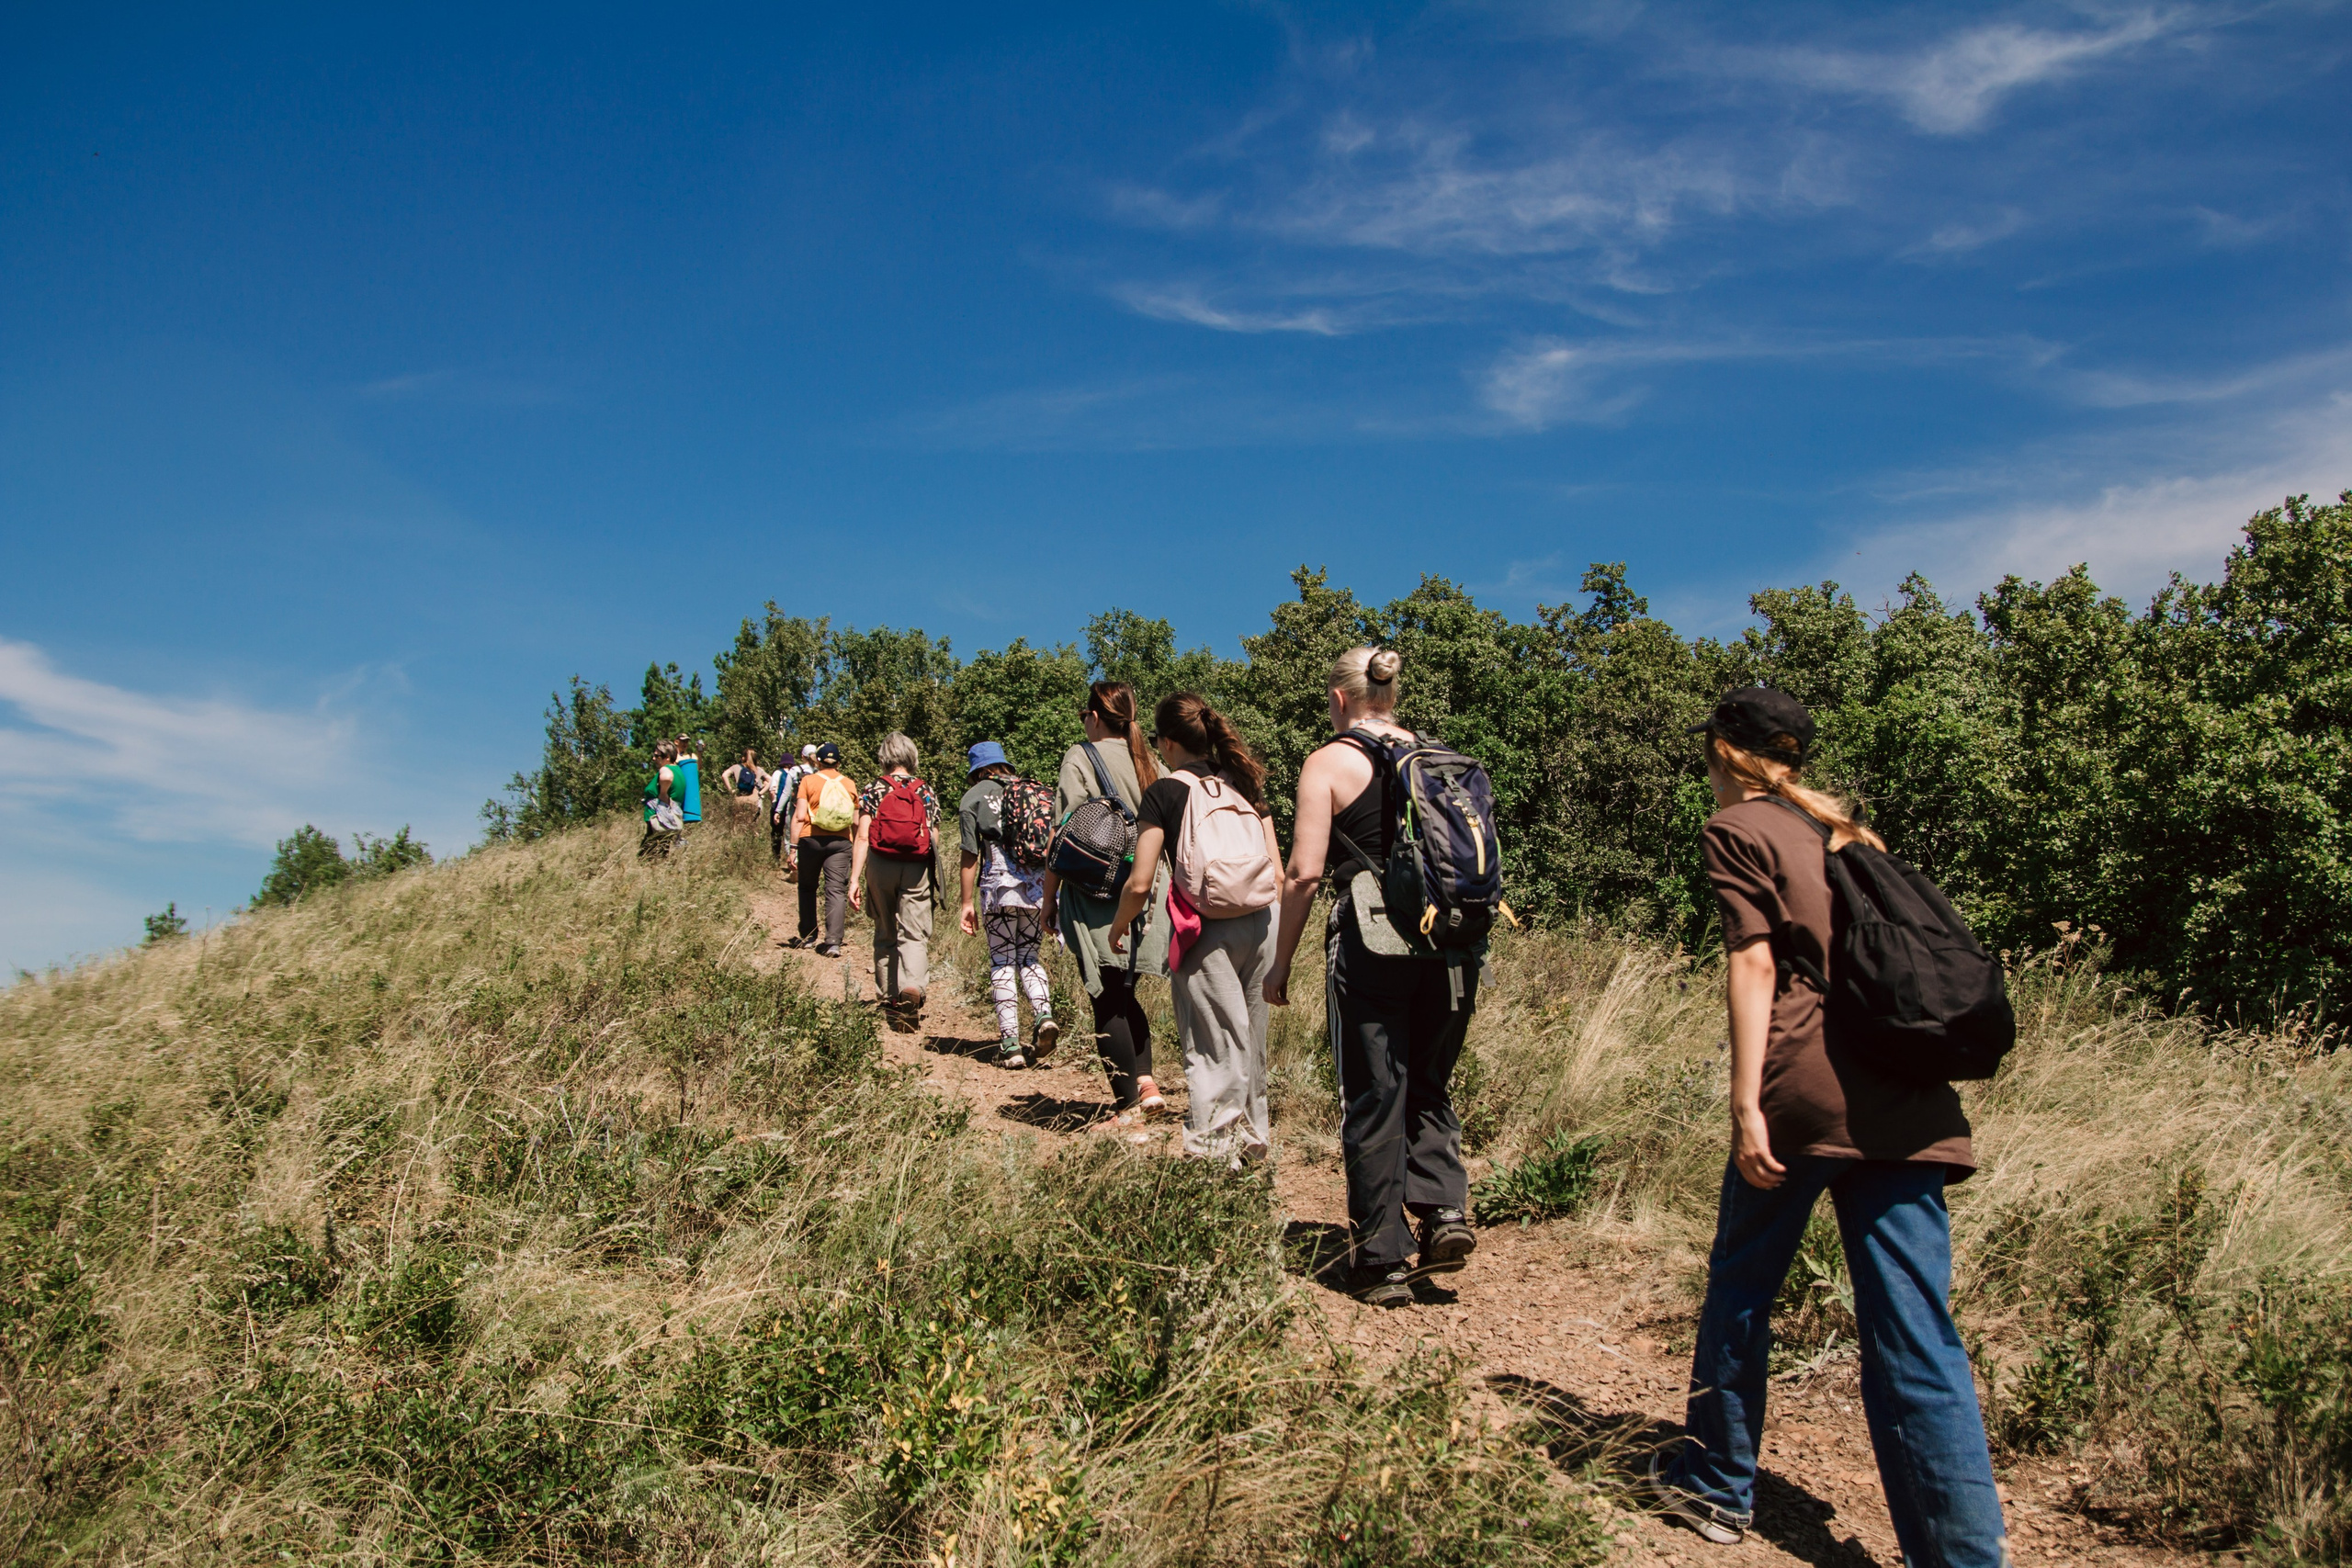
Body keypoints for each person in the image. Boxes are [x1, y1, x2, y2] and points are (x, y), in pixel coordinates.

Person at [1645, 686, 2007, 1565]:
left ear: (1723, 751)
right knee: (1918, 1330)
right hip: (1910, 1096)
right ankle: (1961, 1555)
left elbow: (1756, 962)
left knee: (1742, 1288)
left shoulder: (1739, 829)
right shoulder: (1848, 833)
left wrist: (1745, 1102)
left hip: (1808, 1090)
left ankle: (1717, 1482)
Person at [1265, 648, 1476, 1307]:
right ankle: (1443, 1211)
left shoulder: (1330, 762)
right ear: (1391, 693)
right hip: (1453, 944)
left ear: (1339, 699)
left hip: (1373, 940)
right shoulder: (1443, 758)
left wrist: (1279, 963)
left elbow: (1301, 873)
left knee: (1373, 1087)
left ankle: (1382, 1256)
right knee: (1429, 1077)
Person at [1110, 693, 1281, 1166]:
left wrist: (1119, 926)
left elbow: (1140, 881)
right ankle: (1251, 1149)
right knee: (1251, 1045)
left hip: (1205, 931)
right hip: (1263, 923)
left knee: (1213, 1047)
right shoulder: (1243, 782)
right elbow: (1278, 873)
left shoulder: (1165, 792)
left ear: (1166, 742)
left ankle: (1212, 1164)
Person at [1040, 682, 1170, 1122]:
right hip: (1150, 888)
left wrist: (1048, 899)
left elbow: (1065, 833)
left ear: (1095, 716)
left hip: (1098, 890)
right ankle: (1146, 1082)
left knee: (1105, 994)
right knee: (1127, 989)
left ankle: (1127, 1107)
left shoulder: (1080, 756)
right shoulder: (1152, 760)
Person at [958, 741, 1058, 1069]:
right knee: (1029, 956)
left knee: (1002, 960)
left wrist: (965, 903)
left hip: (1000, 884)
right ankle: (1043, 1016)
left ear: (978, 771)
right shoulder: (1028, 790)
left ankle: (1011, 1045)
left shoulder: (973, 798)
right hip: (1035, 885)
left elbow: (971, 856)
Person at [849, 731, 940, 1033]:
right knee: (913, 933)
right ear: (911, 757)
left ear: (884, 757)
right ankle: (912, 986)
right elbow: (933, 836)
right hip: (916, 866)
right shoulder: (924, 789)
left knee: (885, 928)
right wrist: (934, 872)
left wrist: (854, 878)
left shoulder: (874, 788)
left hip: (880, 863)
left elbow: (862, 835)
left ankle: (889, 997)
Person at [789, 742, 858, 956]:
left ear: (817, 761)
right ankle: (834, 942)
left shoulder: (808, 781)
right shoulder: (849, 784)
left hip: (811, 839)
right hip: (841, 842)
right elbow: (855, 820)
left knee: (807, 887)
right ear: (838, 762)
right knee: (836, 889)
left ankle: (809, 935)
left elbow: (800, 816)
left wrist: (793, 848)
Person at [773, 743, 818, 868]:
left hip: (795, 807)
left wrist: (778, 810)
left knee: (790, 835)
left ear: (802, 756)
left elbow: (786, 792)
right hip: (815, 809)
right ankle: (807, 864)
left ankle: (795, 862)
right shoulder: (819, 771)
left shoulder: (795, 770)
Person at [639, 740, 684, 859]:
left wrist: (662, 794)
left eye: (657, 756)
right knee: (661, 852)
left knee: (646, 856)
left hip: (658, 819)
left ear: (667, 757)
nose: (653, 758)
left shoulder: (666, 769)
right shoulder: (679, 770)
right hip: (667, 818)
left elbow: (667, 778)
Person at [721, 748, 767, 818]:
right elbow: (770, 780)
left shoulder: (735, 767)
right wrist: (761, 792)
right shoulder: (758, 769)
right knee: (753, 824)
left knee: (738, 823)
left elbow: (724, 775)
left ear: (743, 758)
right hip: (754, 799)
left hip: (739, 798)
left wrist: (730, 790)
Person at [674, 736, 705, 836]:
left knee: (685, 814)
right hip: (676, 788)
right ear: (676, 742)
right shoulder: (672, 755)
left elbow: (699, 767)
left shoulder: (691, 756)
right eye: (683, 741)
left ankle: (682, 837)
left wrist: (700, 753)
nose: (685, 744)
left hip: (688, 790)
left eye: (687, 741)